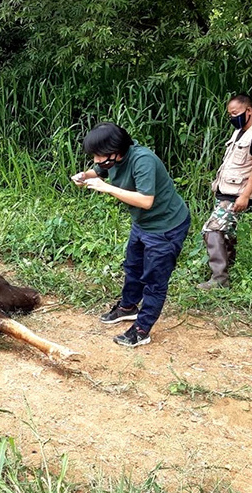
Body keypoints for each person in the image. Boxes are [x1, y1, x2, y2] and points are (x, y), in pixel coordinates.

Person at [72, 122, 191, 347]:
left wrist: (107, 188)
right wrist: (84, 176)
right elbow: (98, 171)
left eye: (100, 155)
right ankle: (128, 307)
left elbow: (146, 201)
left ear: (117, 150)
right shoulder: (112, 159)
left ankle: (141, 330)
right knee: (133, 266)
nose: (97, 160)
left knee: (154, 281)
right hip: (143, 225)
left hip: (166, 226)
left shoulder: (142, 161)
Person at [197, 94, 252, 290]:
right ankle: (228, 266)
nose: (232, 117)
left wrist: (245, 195)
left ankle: (219, 279)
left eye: (236, 113)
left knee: (212, 228)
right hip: (226, 191)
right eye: (230, 114)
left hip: (238, 193)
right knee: (226, 231)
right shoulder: (240, 131)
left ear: (249, 110)